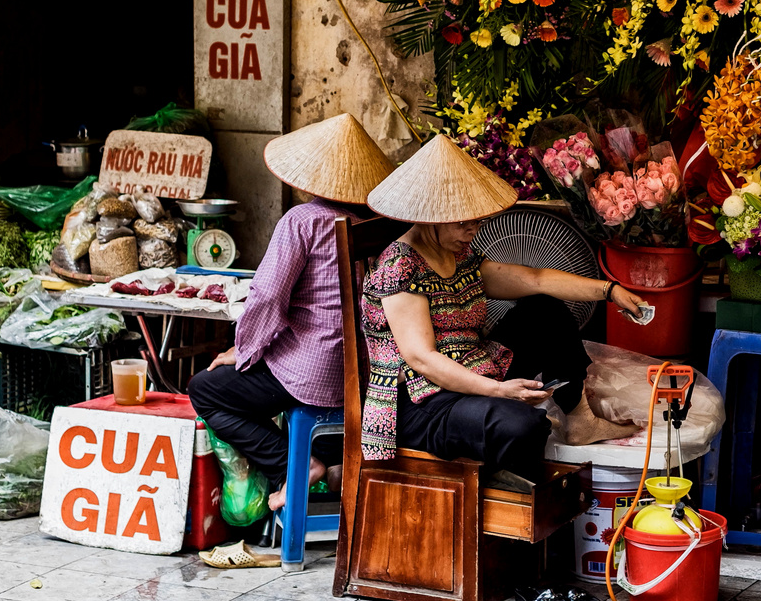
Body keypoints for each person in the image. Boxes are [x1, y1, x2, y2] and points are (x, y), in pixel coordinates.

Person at [360, 134, 650, 484]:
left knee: (544, 311)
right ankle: (505, 483)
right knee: (523, 425)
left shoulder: (458, 254)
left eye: (477, 222)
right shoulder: (400, 267)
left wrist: (609, 290)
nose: (473, 231)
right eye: (463, 223)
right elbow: (422, 358)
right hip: (423, 403)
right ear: (430, 218)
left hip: (472, 367)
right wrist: (500, 391)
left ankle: (580, 421)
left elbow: (535, 279)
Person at [188, 112, 394, 514]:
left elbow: (266, 297)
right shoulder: (377, 227)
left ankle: (298, 466)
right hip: (362, 374)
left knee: (205, 389)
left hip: (311, 374)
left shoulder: (302, 221)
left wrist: (243, 349)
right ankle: (326, 464)